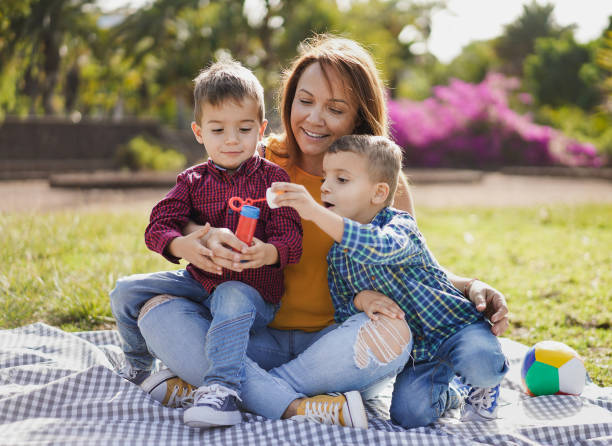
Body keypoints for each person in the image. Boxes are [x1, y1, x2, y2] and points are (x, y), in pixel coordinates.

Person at [135, 35, 510, 429]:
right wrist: (203, 235)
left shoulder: (382, 186)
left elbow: (410, 262)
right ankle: (296, 405)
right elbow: (184, 215)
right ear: (289, 101)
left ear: (358, 119)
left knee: (393, 332)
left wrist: (469, 287)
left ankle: (220, 389)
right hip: (250, 337)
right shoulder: (251, 155)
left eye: (335, 108)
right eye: (305, 101)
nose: (314, 118)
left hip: (336, 352)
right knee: (157, 313)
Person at [109, 60, 303, 429]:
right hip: (198, 280)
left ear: (261, 129)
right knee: (125, 291)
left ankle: (222, 391)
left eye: (244, 129)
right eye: (218, 129)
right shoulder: (193, 180)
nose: (232, 140)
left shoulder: (274, 179)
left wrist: (269, 251)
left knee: (230, 294)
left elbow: (292, 237)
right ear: (199, 132)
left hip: (253, 292)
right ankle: (137, 365)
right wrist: (184, 246)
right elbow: (158, 226)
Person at [272, 134, 509, 427]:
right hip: (419, 353)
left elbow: (379, 247)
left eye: (341, 180)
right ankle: (453, 394)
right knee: (409, 415)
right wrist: (360, 300)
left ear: (379, 193)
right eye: (325, 178)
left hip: (454, 327)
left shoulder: (400, 226)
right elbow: (344, 311)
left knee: (481, 361)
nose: (325, 187)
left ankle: (484, 384)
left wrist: (314, 212)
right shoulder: (337, 256)